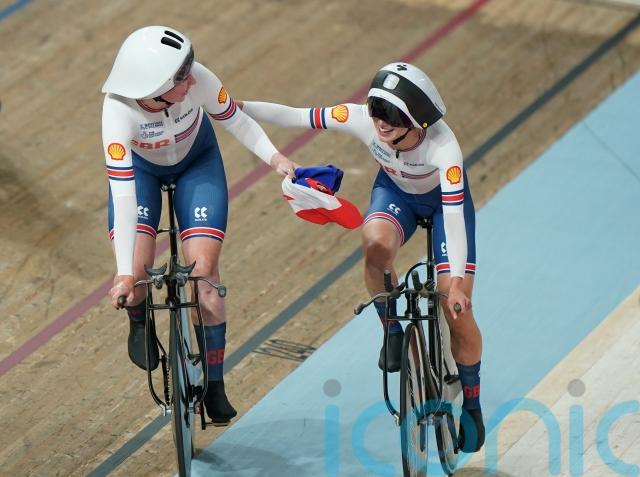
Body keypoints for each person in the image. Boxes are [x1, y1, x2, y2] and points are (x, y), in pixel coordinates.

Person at [237, 62, 485, 452]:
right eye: (376, 109)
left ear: (416, 121)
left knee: (456, 310)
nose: (380, 121)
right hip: (396, 194)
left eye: (391, 114)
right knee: (374, 248)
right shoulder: (361, 119)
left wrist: (455, 285)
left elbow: (453, 219)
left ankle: (471, 402)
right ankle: (392, 330)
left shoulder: (444, 149)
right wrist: (234, 107)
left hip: (443, 206)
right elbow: (298, 116)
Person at [101, 26, 297, 425]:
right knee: (136, 276)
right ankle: (138, 320)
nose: (192, 81)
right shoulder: (117, 111)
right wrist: (123, 276)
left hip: (197, 164)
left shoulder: (198, 78)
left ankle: (215, 383)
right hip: (141, 175)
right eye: (180, 78)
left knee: (205, 277)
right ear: (153, 88)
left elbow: (236, 120)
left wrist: (275, 158)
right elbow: (123, 197)